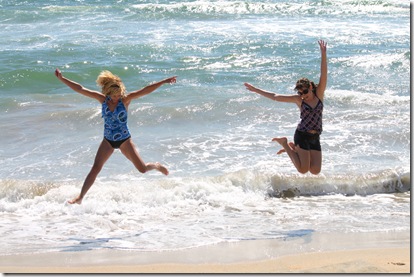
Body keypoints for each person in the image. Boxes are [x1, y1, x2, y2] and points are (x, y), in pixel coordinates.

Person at [54, 68, 177, 204]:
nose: (116, 98)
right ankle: (80, 197)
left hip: (124, 140)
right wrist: (62, 79)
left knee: (142, 169)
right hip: (108, 141)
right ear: (108, 93)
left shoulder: (125, 100)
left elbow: (145, 90)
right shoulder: (102, 100)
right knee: (95, 168)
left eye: (118, 95)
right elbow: (80, 89)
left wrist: (164, 81)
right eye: (114, 96)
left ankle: (156, 166)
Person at [244, 40, 327, 175]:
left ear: (311, 88)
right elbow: (276, 97)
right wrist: (256, 90)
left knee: (315, 170)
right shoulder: (299, 100)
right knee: (303, 169)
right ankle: (285, 144)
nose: (303, 95)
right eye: (300, 93)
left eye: (305, 92)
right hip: (302, 135)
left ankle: (294, 149)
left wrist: (323, 54)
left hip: (315, 136)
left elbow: (324, 75)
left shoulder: (319, 95)